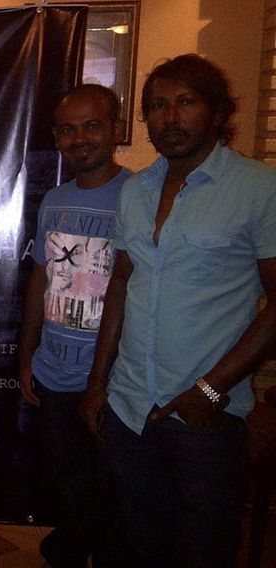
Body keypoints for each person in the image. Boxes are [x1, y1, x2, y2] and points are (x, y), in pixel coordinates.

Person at [80, 54, 276, 567]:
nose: (170, 117)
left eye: (186, 102)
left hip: (203, 417)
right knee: (139, 542)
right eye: (157, 105)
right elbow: (121, 284)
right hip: (129, 408)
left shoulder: (258, 189)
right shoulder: (136, 191)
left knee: (203, 549)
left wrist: (209, 391)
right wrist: (98, 384)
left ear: (217, 112)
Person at [17, 84, 130, 568]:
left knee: (112, 490)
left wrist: (103, 379)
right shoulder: (53, 200)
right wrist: (26, 355)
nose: (79, 138)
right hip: (53, 372)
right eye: (68, 129)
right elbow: (41, 278)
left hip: (114, 380)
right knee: (68, 481)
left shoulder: (139, 196)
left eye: (92, 126)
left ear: (116, 130)